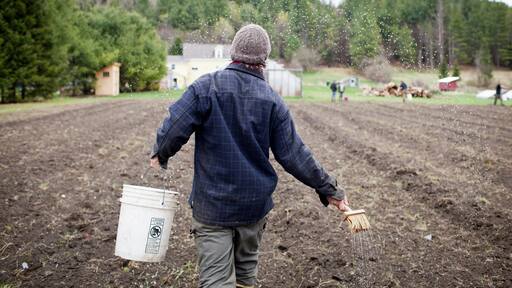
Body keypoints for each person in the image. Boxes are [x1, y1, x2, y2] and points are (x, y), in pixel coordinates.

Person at [150, 24, 348, 288]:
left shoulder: (206, 87)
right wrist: (329, 188)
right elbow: (294, 154)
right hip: (253, 209)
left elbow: (174, 126)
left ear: (233, 52)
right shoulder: (272, 100)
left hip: (213, 209)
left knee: (216, 282)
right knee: (245, 277)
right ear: (263, 59)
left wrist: (161, 153)